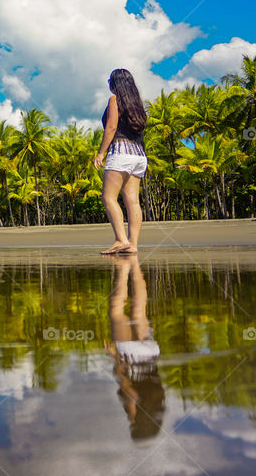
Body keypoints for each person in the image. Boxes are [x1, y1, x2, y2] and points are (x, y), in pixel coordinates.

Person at [104, 253, 164, 441]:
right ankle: (122, 270)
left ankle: (136, 268)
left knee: (139, 308)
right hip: (131, 354)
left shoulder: (157, 401)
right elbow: (125, 381)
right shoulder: (136, 409)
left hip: (151, 353)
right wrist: (114, 357)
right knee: (116, 312)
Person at [93, 69, 148, 255]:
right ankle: (132, 244)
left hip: (121, 152)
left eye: (110, 81)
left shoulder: (114, 100)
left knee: (108, 197)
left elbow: (111, 127)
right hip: (139, 155)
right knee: (133, 201)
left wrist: (101, 153)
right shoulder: (137, 104)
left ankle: (120, 239)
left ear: (115, 84)